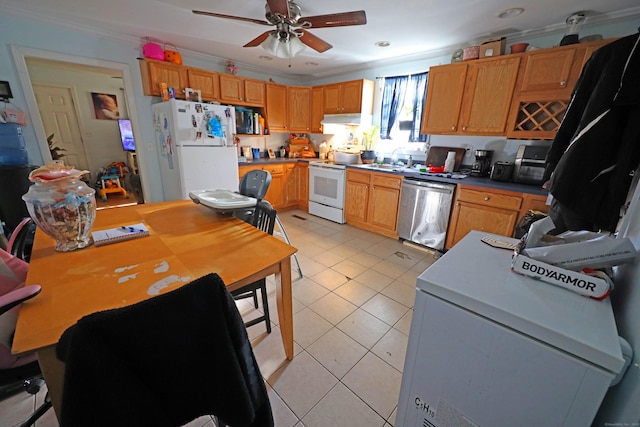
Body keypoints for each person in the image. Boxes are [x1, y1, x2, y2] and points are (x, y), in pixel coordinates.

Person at [543, 30, 640, 234]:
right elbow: (575, 116)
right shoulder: (616, 57)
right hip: (584, 184)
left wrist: (552, 166)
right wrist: (553, 165)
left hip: (592, 186)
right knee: (567, 251)